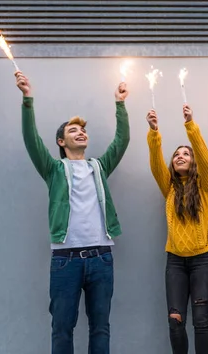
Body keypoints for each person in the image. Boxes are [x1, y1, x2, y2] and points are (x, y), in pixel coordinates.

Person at [15, 71, 130, 354]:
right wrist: (28, 100)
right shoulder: (54, 169)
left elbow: (122, 141)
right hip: (65, 260)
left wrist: (120, 104)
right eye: (72, 131)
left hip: (101, 257)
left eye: (82, 130)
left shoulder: (99, 167)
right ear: (61, 143)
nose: (80, 132)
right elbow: (31, 141)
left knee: (101, 327)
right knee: (62, 329)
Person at [146, 105, 208, 354]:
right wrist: (154, 132)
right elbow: (156, 164)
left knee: (201, 322)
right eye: (177, 154)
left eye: (186, 154)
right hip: (175, 263)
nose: (180, 156)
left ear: (193, 161)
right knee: (175, 322)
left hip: (203, 261)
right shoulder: (169, 188)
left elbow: (205, 157)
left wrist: (191, 126)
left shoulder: (205, 186)